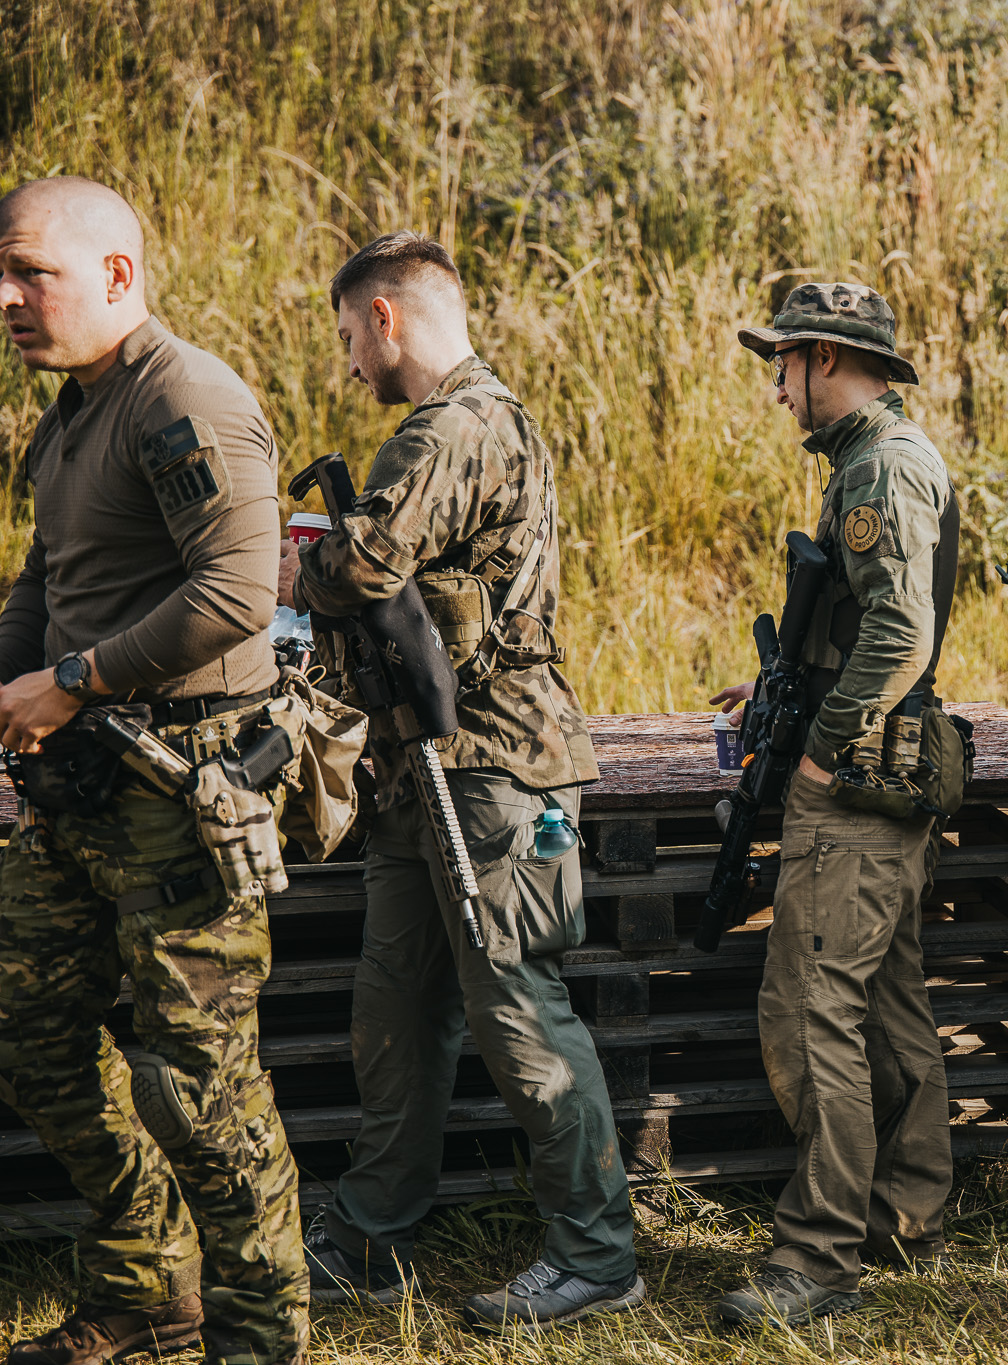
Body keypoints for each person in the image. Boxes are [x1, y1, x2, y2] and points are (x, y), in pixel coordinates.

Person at [280, 232, 641, 1332]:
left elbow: (365, 570)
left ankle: (596, 1254)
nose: (348, 361)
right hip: (419, 770)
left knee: (518, 1011)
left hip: (491, 767)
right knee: (395, 1011)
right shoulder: (468, 424)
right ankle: (369, 1234)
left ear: (386, 317)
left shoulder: (454, 426)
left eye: (349, 335)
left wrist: (298, 559)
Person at [0, 177, 308, 1365]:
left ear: (119, 276)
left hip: (180, 790)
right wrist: (16, 676)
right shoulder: (76, 409)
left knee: (199, 1085)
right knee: (28, 1033)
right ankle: (148, 1291)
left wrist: (69, 682)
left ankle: (256, 1335)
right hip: (76, 790)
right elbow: (47, 579)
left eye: (34, 272)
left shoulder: (185, 398)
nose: (9, 297)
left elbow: (237, 594)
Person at [708, 283, 959, 1328]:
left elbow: (899, 636)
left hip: (854, 786)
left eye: (781, 364)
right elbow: (864, 625)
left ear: (822, 357)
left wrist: (818, 751)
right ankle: (905, 1213)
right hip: (881, 773)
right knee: (887, 1002)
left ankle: (817, 1256)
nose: (775, 389)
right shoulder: (880, 456)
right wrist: (795, 681)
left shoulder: (880, 467)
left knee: (814, 1012)